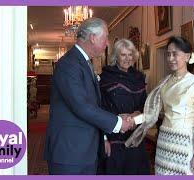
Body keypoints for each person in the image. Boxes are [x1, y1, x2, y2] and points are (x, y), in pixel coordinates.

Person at [43, 18, 134, 175]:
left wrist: (105, 136)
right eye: (105, 38)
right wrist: (118, 123)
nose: (106, 44)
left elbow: (93, 105)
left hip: (83, 151)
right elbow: (82, 106)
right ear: (93, 37)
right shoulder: (69, 64)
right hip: (69, 153)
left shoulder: (84, 62)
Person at [125, 36, 194, 175]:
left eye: (175, 54)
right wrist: (133, 120)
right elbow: (152, 113)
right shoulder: (164, 82)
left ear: (187, 57)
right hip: (164, 141)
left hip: (185, 144)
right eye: (168, 54)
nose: (170, 58)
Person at [99, 39, 150, 175]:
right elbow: (99, 110)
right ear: (116, 56)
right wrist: (103, 140)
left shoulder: (139, 77)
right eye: (123, 55)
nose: (127, 59)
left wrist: (135, 117)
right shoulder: (106, 77)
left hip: (135, 139)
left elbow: (146, 108)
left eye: (130, 55)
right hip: (114, 139)